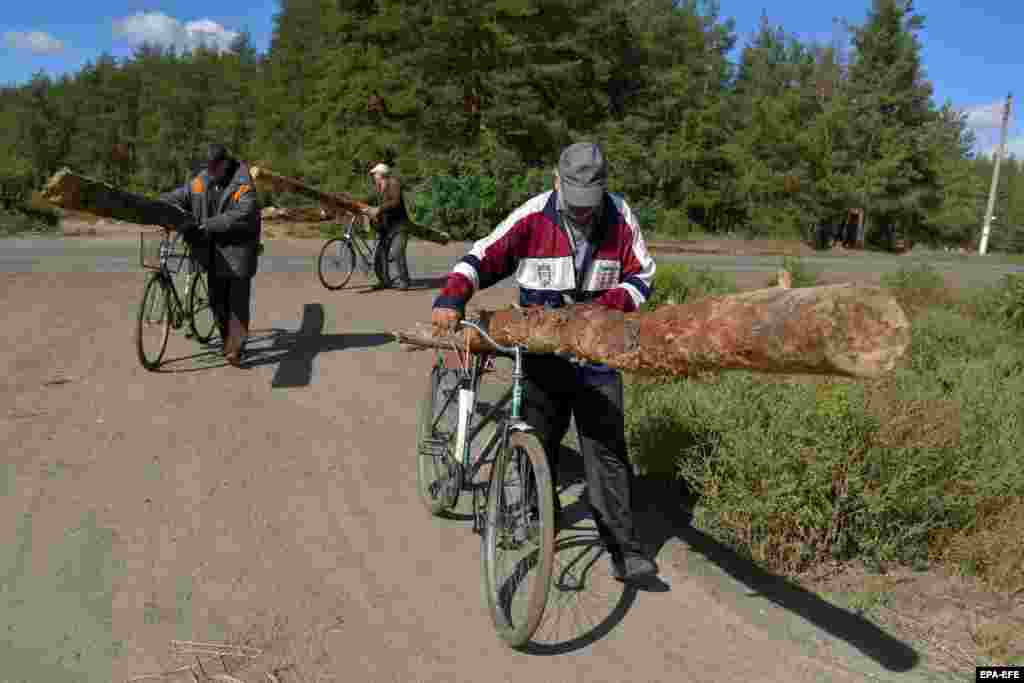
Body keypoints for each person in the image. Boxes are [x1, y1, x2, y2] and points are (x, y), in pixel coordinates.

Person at [430, 141, 659, 583]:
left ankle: (623, 549)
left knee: (606, 448)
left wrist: (605, 307)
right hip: (539, 350)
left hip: (596, 349)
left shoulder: (619, 216)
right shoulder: (533, 216)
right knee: (538, 435)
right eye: (574, 204)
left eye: (590, 205)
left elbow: (642, 275)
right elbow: (482, 257)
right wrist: (451, 296)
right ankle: (536, 514)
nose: (583, 213)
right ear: (557, 183)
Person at [162, 143, 261, 367]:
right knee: (217, 301)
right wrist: (157, 203)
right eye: (208, 168)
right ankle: (228, 340)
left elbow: (243, 213)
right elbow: (182, 194)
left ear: (225, 164)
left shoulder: (243, 182)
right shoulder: (203, 179)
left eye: (214, 168)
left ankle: (235, 348)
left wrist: (209, 224)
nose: (210, 172)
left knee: (236, 302)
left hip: (238, 251)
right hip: (214, 251)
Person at [364, 162, 412, 290]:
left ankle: (404, 281)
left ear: (381, 174)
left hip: (400, 225)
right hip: (386, 226)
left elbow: (395, 201)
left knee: (397, 252)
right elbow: (368, 199)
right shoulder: (378, 187)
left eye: (375, 174)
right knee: (381, 254)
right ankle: (384, 281)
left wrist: (379, 209)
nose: (374, 176)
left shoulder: (393, 183)